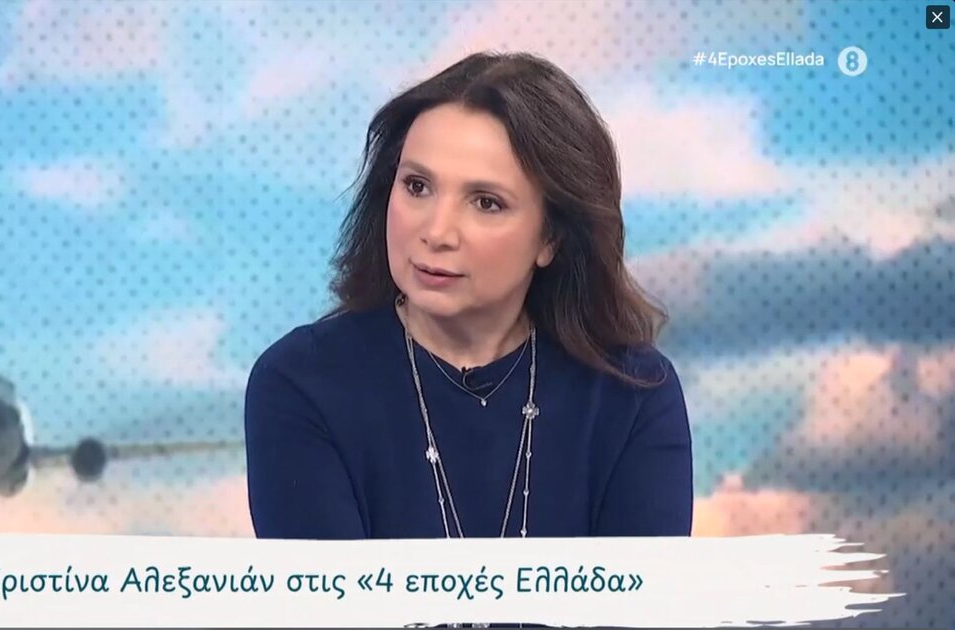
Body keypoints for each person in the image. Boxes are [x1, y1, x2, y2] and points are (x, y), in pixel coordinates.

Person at [244, 51, 692, 539]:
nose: (436, 232)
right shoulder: (301, 383)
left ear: (551, 238)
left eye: (486, 202)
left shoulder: (633, 394)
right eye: (417, 186)